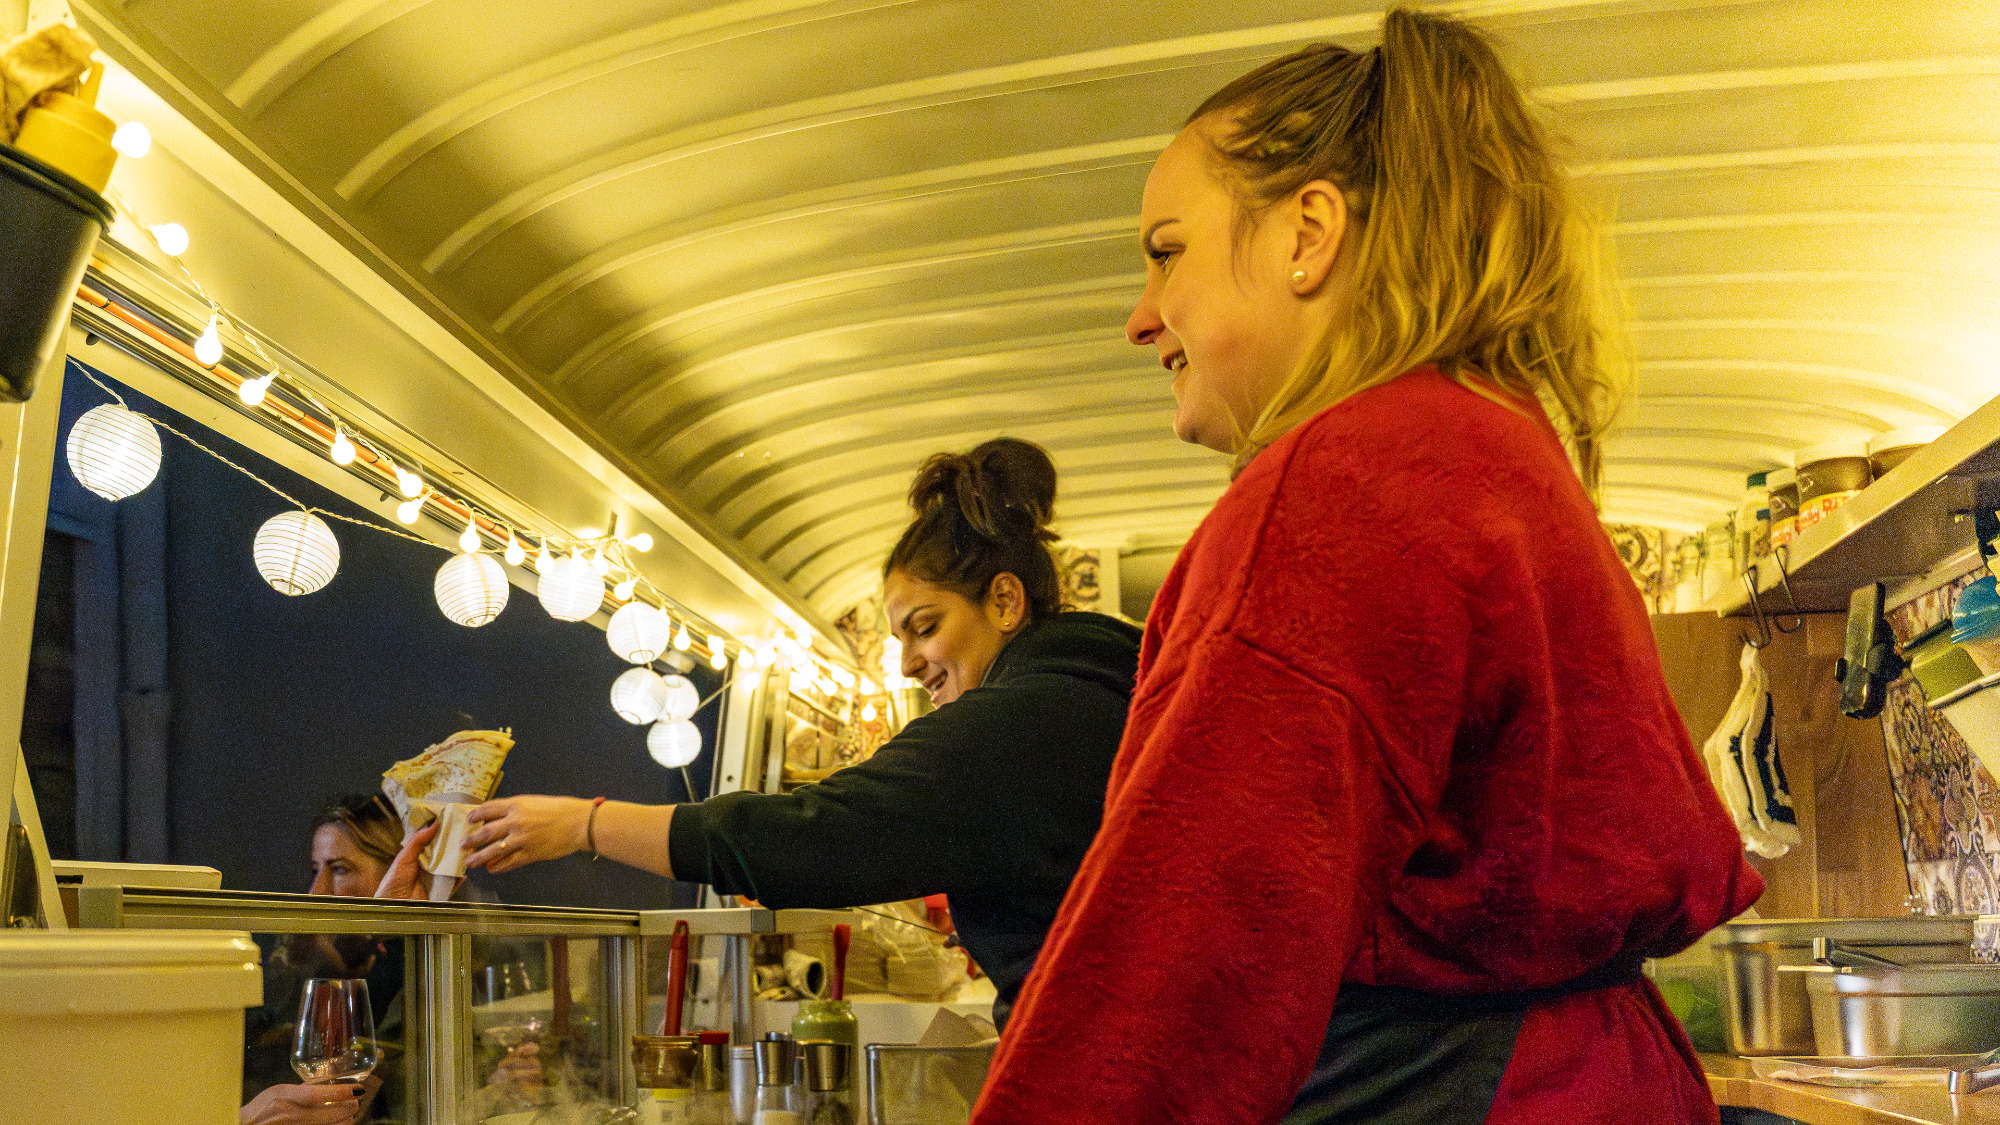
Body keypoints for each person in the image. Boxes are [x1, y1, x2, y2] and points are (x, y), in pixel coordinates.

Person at [969, 11, 1763, 1125]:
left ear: (1308, 232)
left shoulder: (1343, 485)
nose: (1140, 318)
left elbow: (1181, 963)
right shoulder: (1491, 443)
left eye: (1166, 251)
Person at [457, 437, 1141, 1025]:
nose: (908, 664)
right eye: (900, 638)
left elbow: (809, 835)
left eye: (925, 627)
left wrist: (584, 823)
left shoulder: (1016, 725)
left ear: (1005, 600)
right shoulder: (1095, 692)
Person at [245, 796, 542, 1125]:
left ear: (399, 870)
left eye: (339, 869)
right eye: (316, 870)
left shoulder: (430, 958)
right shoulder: (305, 961)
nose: (317, 890)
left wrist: (503, 1085)